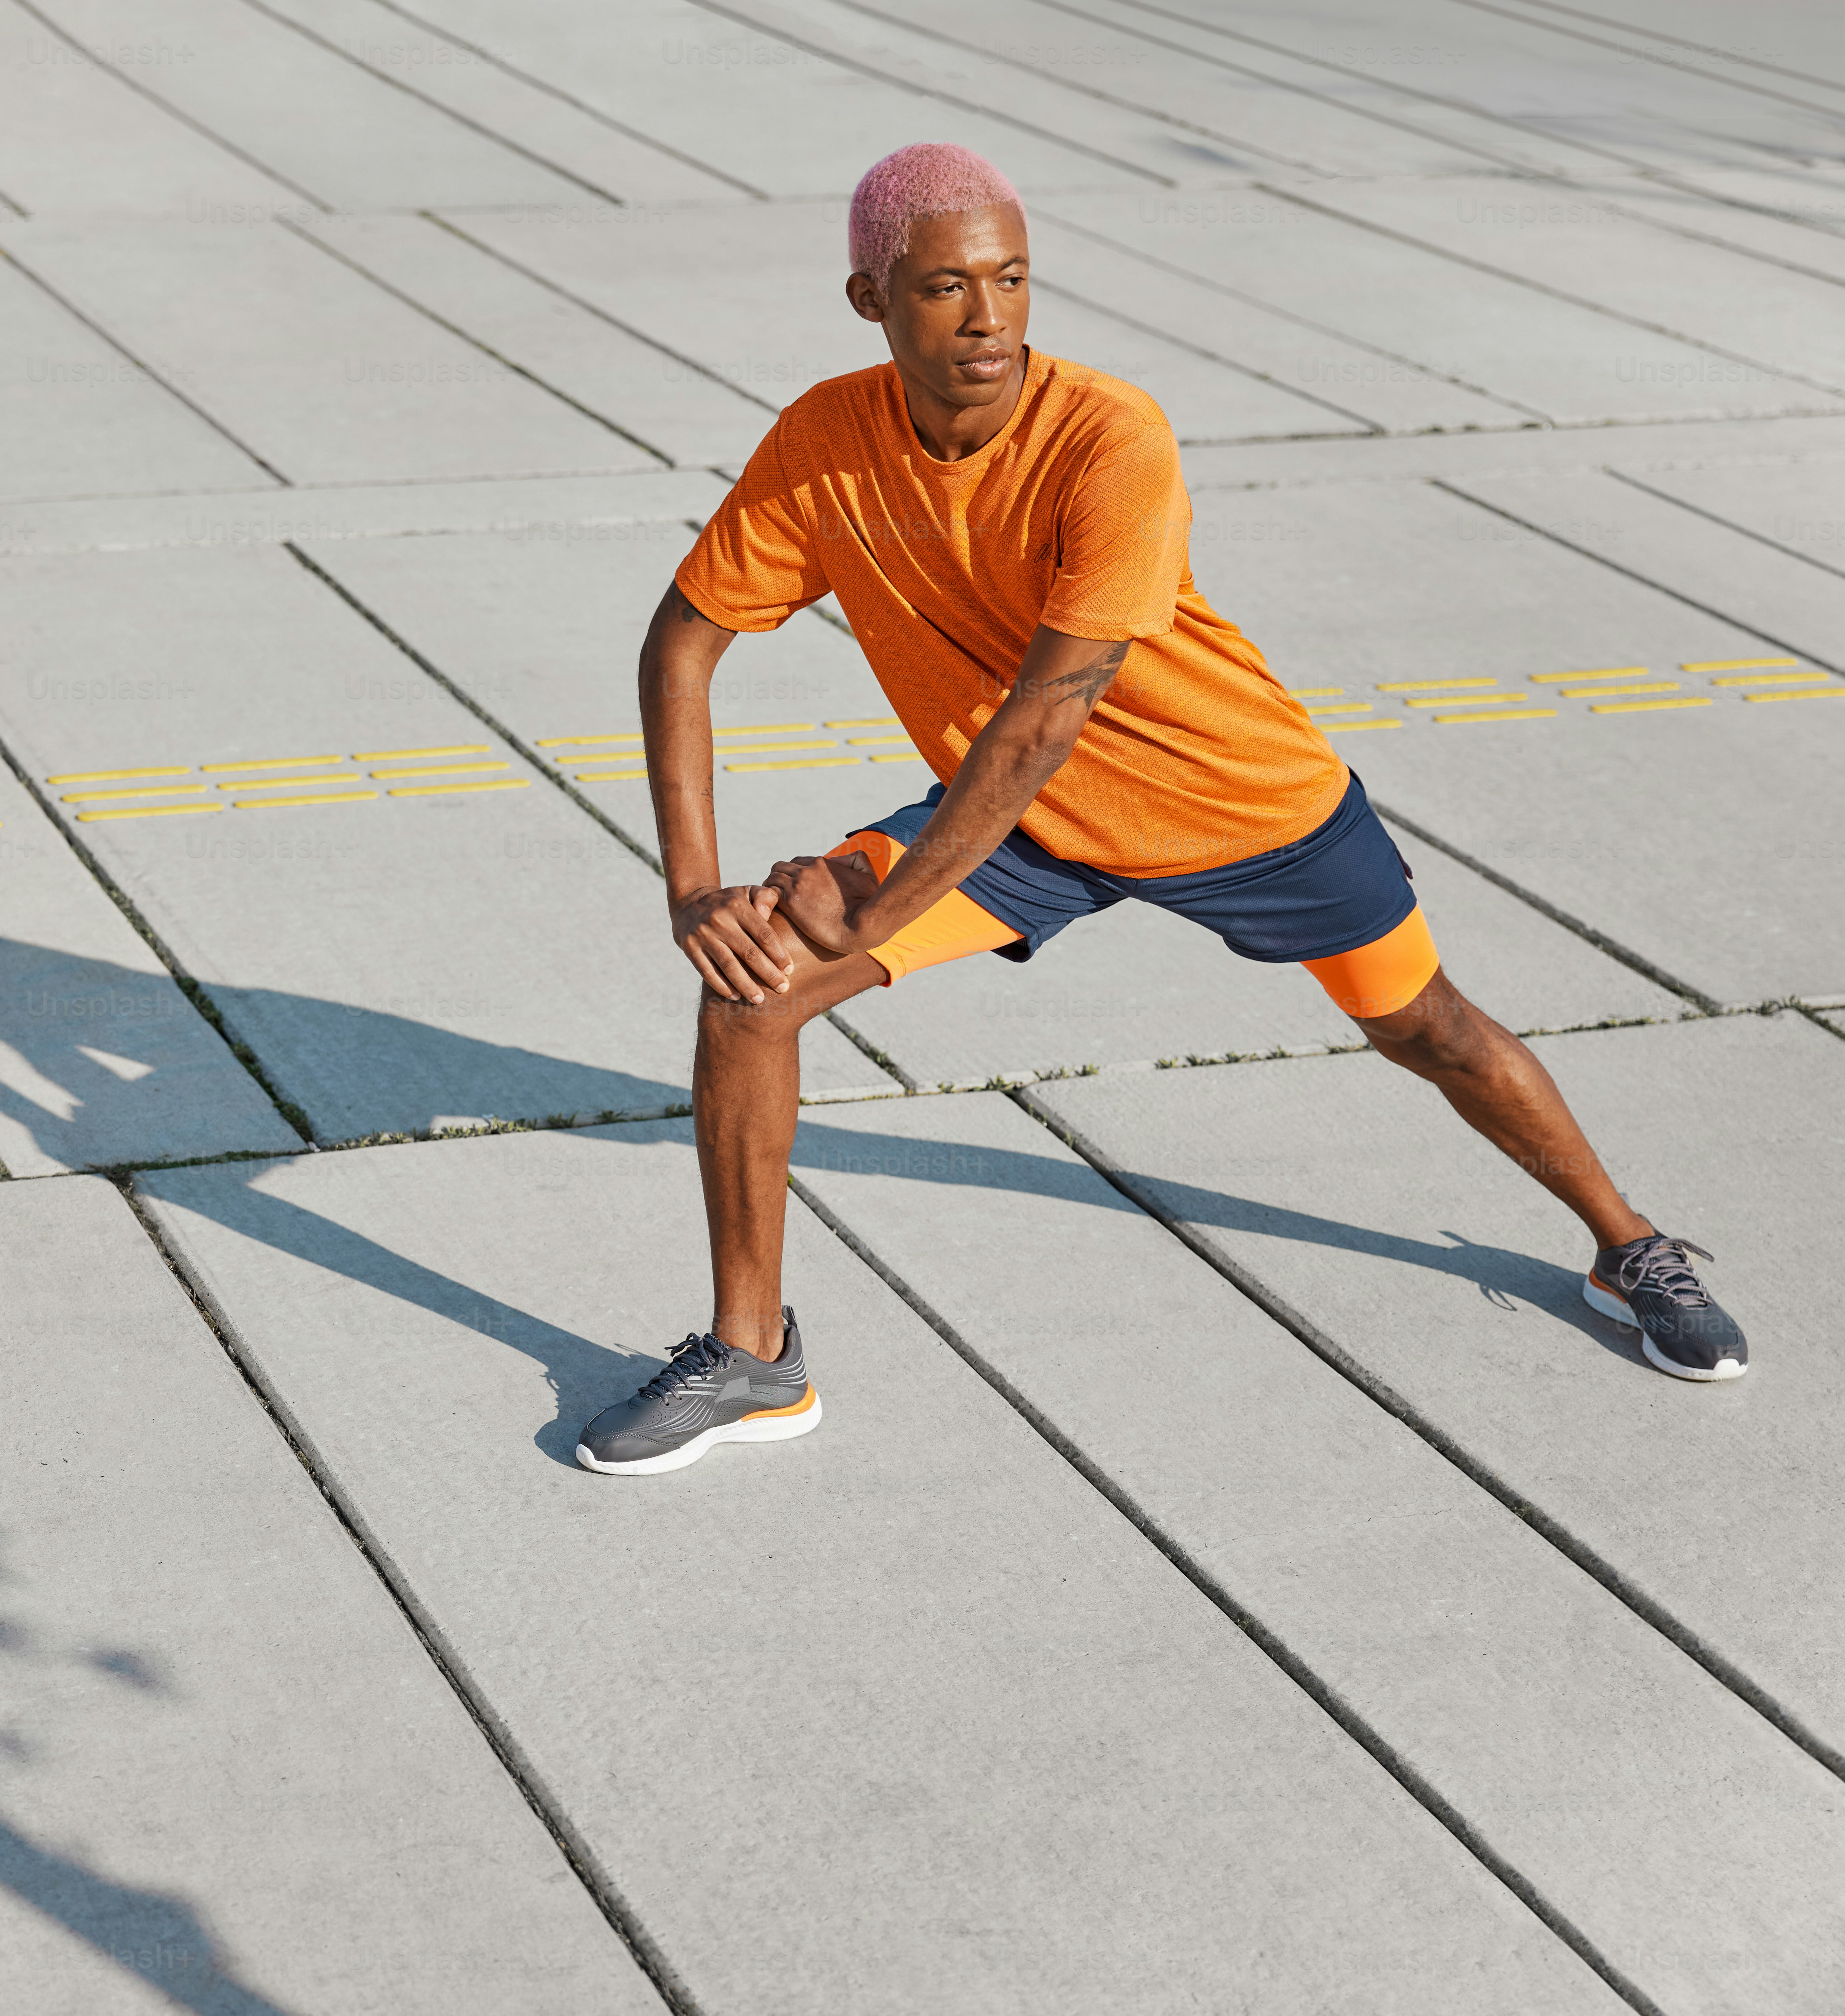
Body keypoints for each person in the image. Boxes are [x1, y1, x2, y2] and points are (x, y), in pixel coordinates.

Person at [576, 143, 1747, 1477]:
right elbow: (683, 642)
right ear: (871, 300)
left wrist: (877, 913)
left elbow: (1044, 716)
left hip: (1234, 803)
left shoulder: (1107, 435)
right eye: (946, 288)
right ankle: (752, 1358)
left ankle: (1624, 1245)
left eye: (1011, 280)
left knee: (1431, 1031)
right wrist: (693, 891)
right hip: (1021, 827)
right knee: (750, 992)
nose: (988, 318)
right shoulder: (825, 439)